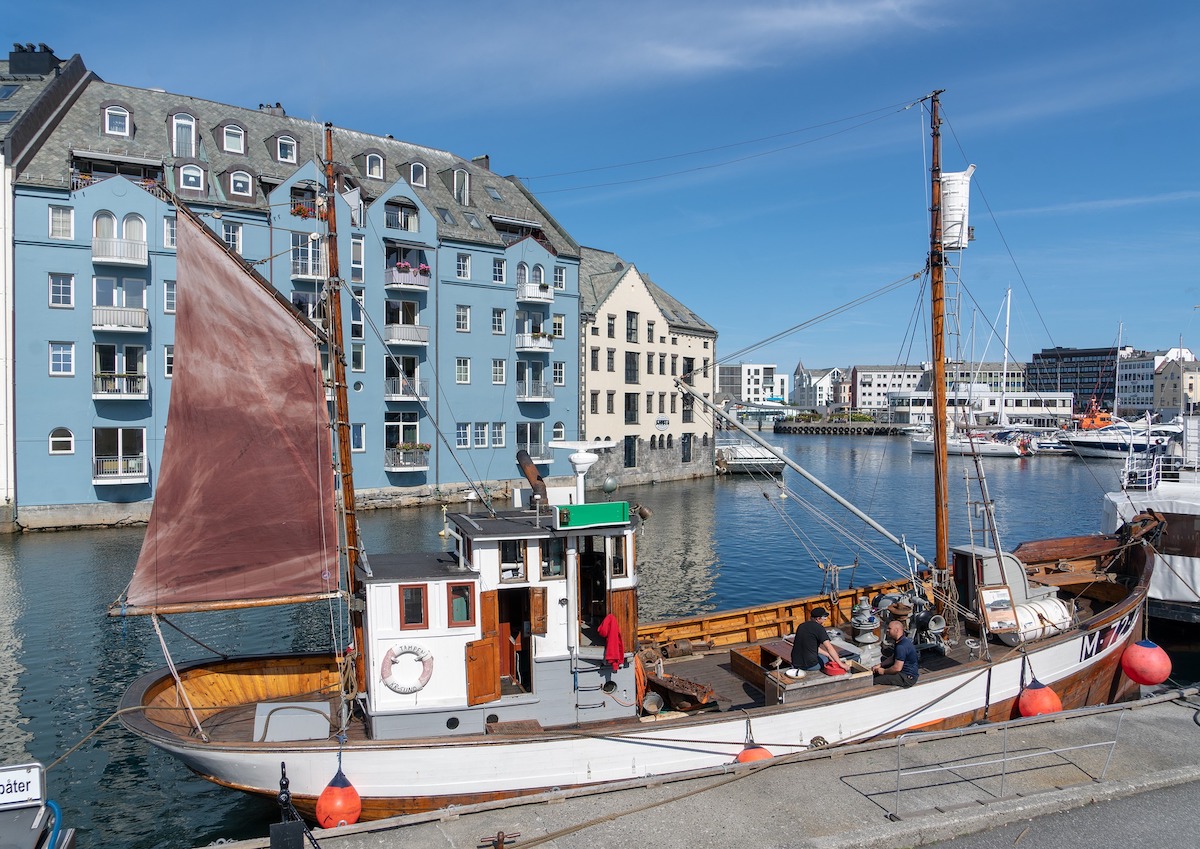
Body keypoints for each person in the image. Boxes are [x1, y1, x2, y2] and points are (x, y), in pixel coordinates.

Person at [790, 607, 851, 673]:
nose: (825, 619)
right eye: (824, 617)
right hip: (810, 666)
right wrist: (841, 664)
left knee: (825, 656)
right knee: (825, 659)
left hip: (795, 662)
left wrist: (828, 654)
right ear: (818, 619)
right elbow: (829, 647)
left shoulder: (801, 626)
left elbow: (811, 646)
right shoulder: (819, 629)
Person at [872, 619, 919, 687]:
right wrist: (880, 665)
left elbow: (897, 668)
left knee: (875, 681)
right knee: (876, 673)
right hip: (904, 673)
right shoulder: (903, 641)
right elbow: (893, 657)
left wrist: (883, 671)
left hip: (906, 677)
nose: (887, 630)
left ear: (896, 630)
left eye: (889, 628)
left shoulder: (901, 646)